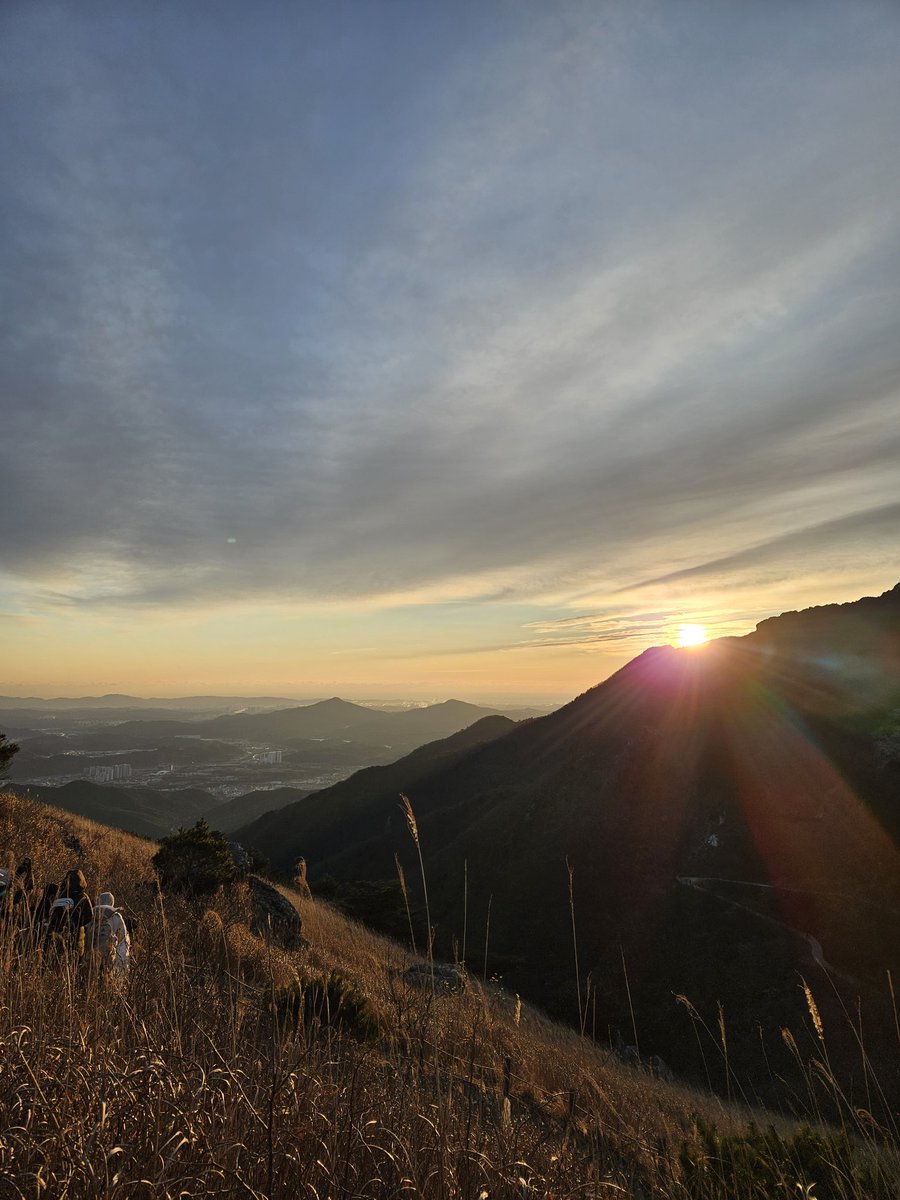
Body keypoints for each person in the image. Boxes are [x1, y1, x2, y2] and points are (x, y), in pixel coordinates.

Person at [45, 869, 93, 959]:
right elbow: (89, 916)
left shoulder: (62, 895)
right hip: (72, 936)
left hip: (60, 935)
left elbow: (52, 914)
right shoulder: (82, 896)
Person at [86, 891, 131, 973]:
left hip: (92, 956)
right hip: (109, 955)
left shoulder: (90, 914)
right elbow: (122, 938)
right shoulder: (116, 916)